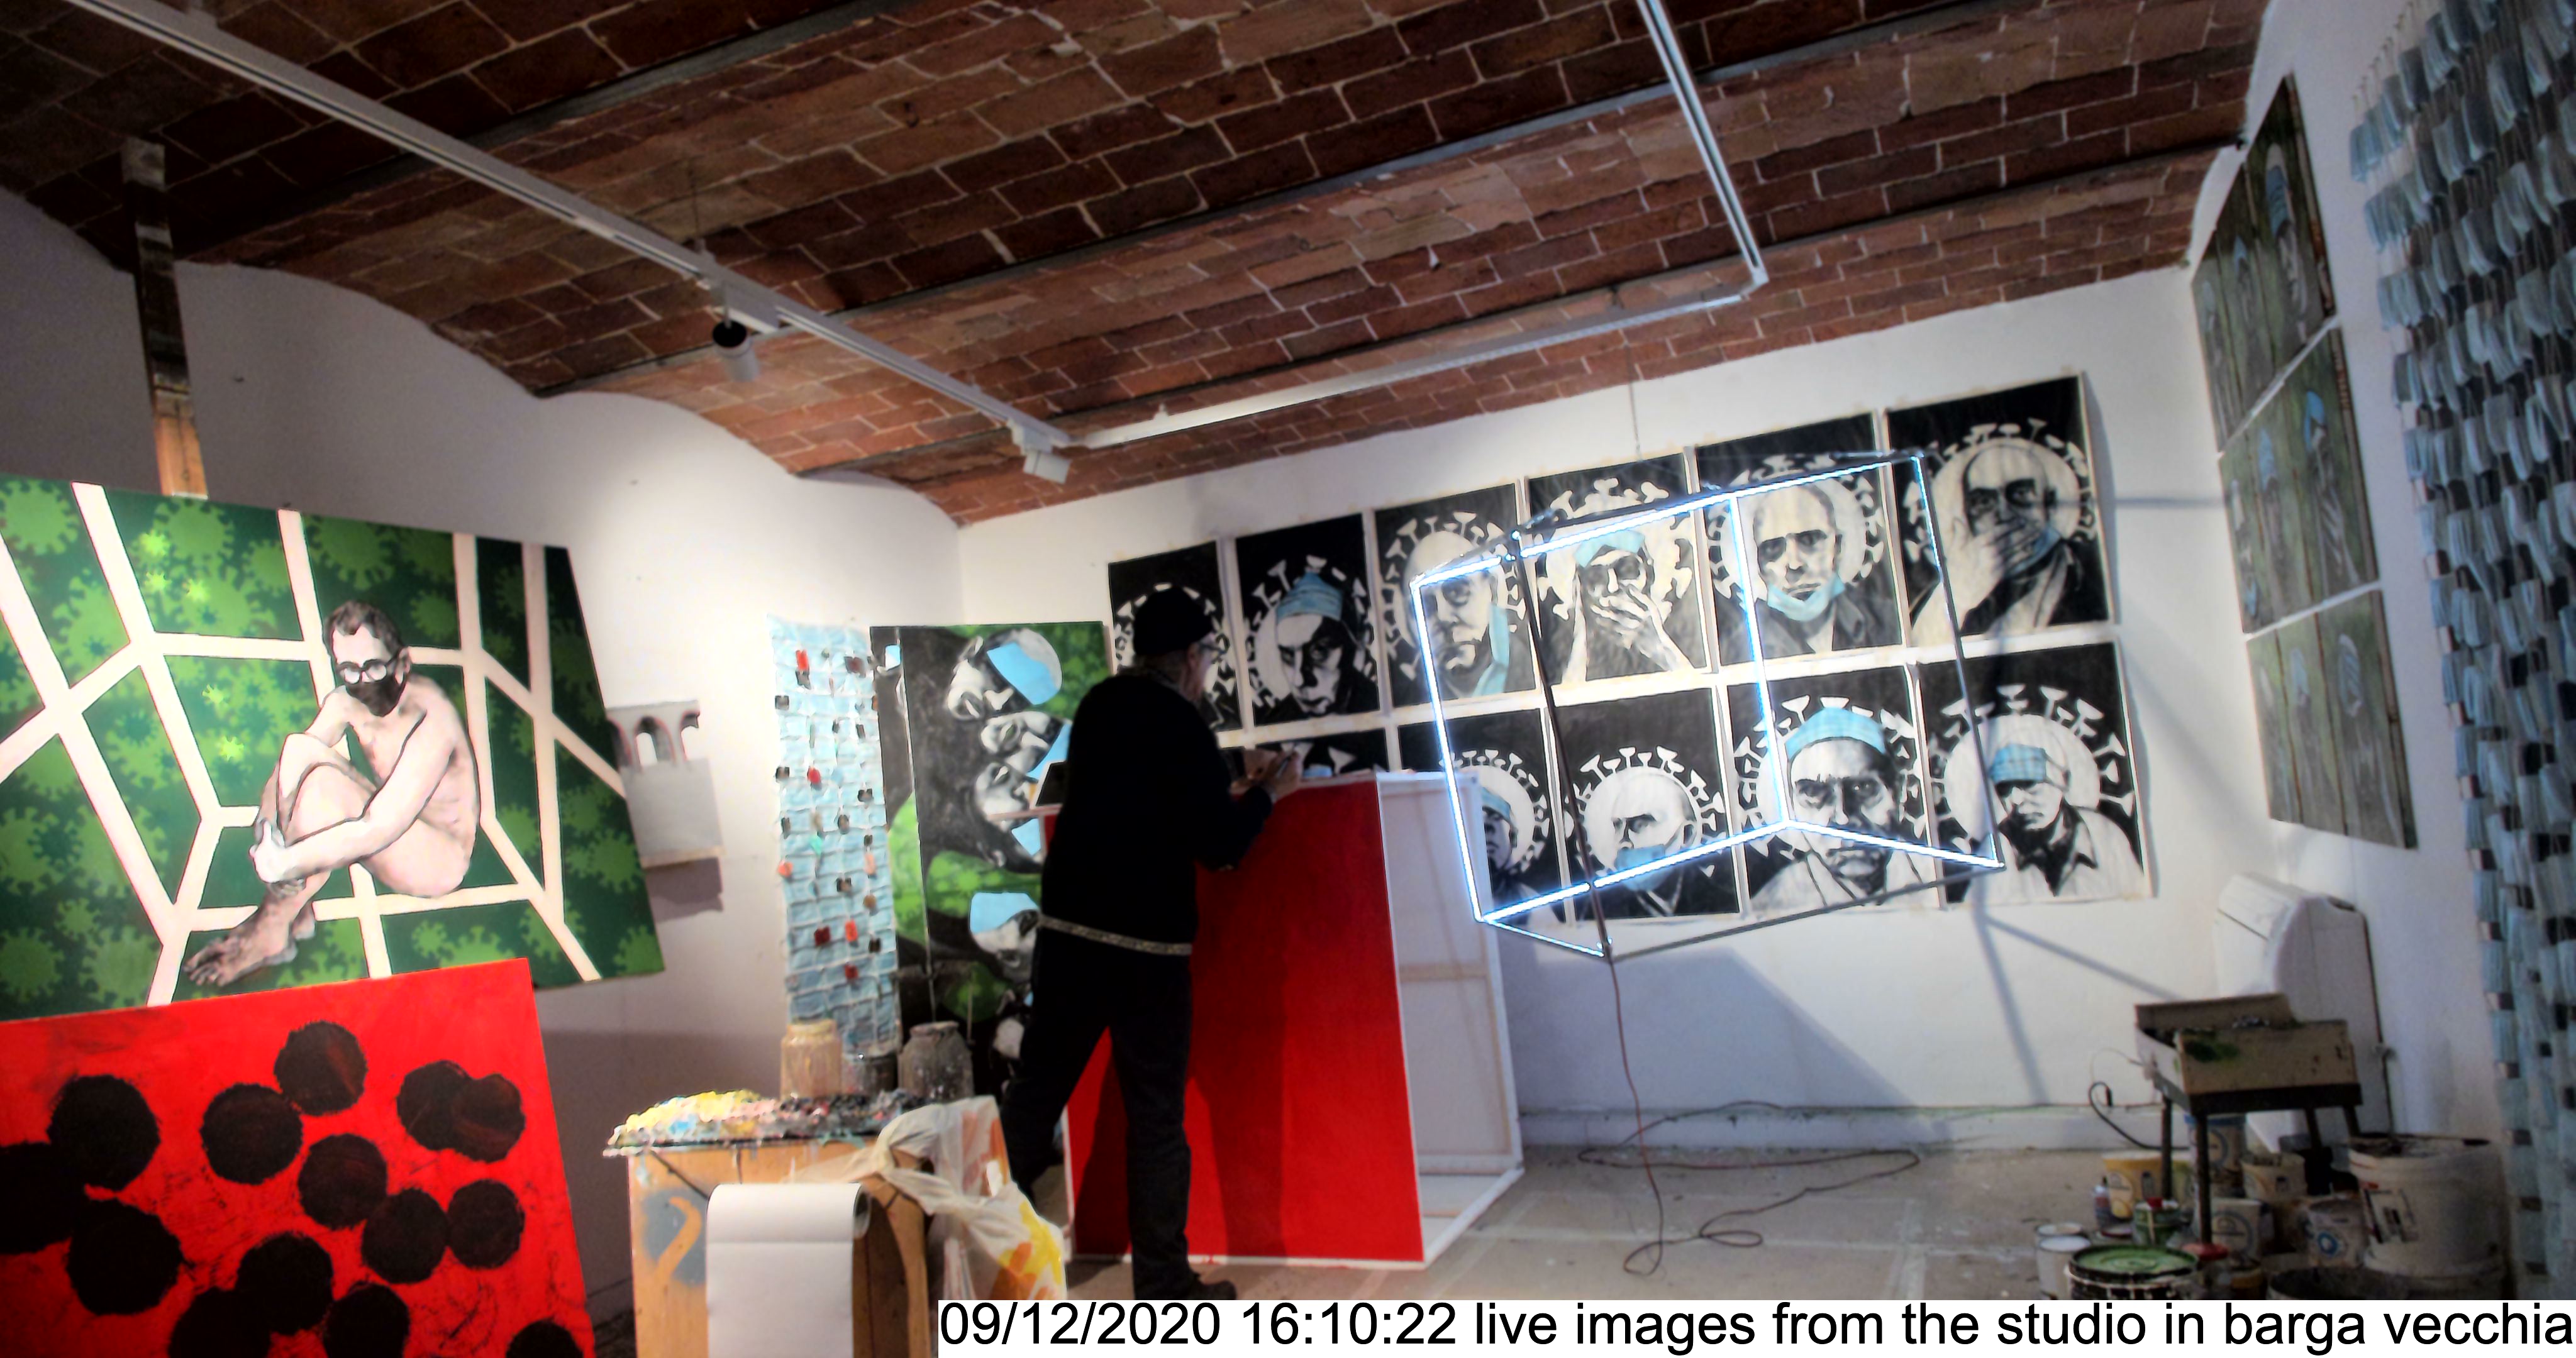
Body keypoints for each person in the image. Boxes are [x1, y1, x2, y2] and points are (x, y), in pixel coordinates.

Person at [999, 589, 1301, 1301]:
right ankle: (1162, 1282)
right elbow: (1219, 847)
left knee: (1035, 1094)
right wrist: (1269, 794)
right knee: (1157, 1119)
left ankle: (976, 1245)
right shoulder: (1183, 723)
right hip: (1147, 954)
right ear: (1192, 658)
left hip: (1070, 937)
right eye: (1207, 658)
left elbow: (1133, 791)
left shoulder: (1100, 705)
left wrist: (1223, 778)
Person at [184, 600, 479, 986]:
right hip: (394, 833)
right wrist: (268, 832)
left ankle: (272, 928)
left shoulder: (432, 716)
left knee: (324, 787)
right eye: (350, 670)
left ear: (402, 663)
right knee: (298, 749)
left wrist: (287, 864)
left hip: (437, 861)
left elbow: (379, 826)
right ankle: (288, 909)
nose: (364, 682)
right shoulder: (346, 702)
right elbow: (287, 768)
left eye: (374, 667)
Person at [1913, 439, 2107, 641]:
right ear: (1967, 517)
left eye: (2021, 494)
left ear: (2049, 504)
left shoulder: (2091, 571)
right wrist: (1958, 596)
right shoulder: (1954, 588)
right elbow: (1922, 646)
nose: (2005, 514)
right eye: (1984, 501)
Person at [1750, 707, 1940, 911]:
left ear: (1899, 791)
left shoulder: (1943, 880)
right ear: (1792, 807)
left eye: (1863, 788)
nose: (1843, 818)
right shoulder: (1771, 907)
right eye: (1814, 793)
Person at [1723, 485, 1899, 658]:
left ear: (1838, 546)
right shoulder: (1738, 651)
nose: (1794, 564)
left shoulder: (1889, 622)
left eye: (1809, 540)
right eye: (1773, 548)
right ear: (1758, 564)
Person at [1980, 742, 2142, 902]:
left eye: (2029, 784)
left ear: (2063, 782)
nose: (2016, 800)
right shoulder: (1995, 847)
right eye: (2004, 790)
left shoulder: (2105, 835)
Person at [1405, 530, 1528, 698]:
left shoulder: (1529, 668)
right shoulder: (1413, 697)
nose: (1443, 617)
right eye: (1426, 605)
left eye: (1457, 591)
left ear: (1491, 590)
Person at [1559, 530, 1693, 678]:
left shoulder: (1683, 630)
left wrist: (1659, 648)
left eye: (1627, 570)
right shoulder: (1568, 649)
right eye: (1597, 578)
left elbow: (1698, 686)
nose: (1612, 587)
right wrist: (1581, 641)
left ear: (1649, 575)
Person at [1260, 570, 1372, 721]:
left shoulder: (1381, 706)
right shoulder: (1277, 723)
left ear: (1353, 647)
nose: (1299, 680)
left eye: (1319, 651)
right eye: (1288, 655)